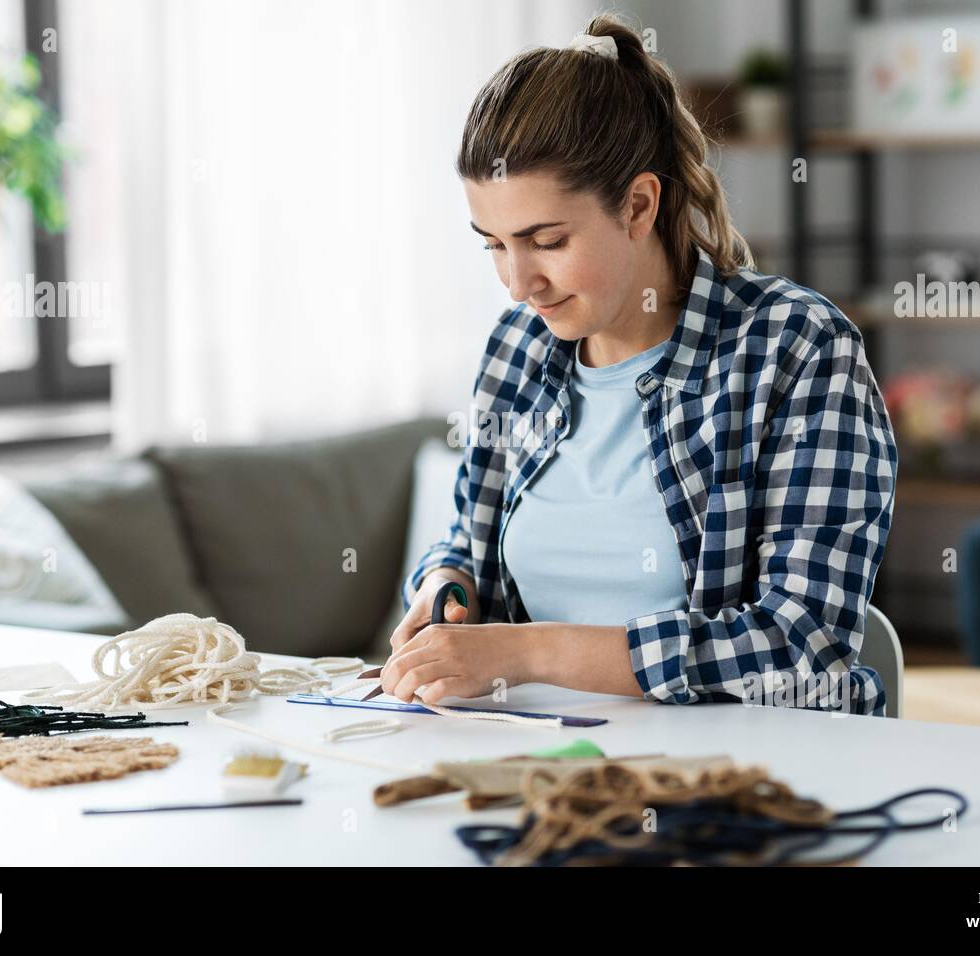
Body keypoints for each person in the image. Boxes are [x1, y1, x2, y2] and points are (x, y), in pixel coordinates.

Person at [380, 14, 897, 717]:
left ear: (638, 205)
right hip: (537, 763)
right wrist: (448, 584)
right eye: (494, 245)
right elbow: (467, 540)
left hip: (747, 775)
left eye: (547, 240)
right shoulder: (516, 348)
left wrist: (525, 651)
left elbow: (801, 646)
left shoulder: (796, 348)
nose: (517, 282)